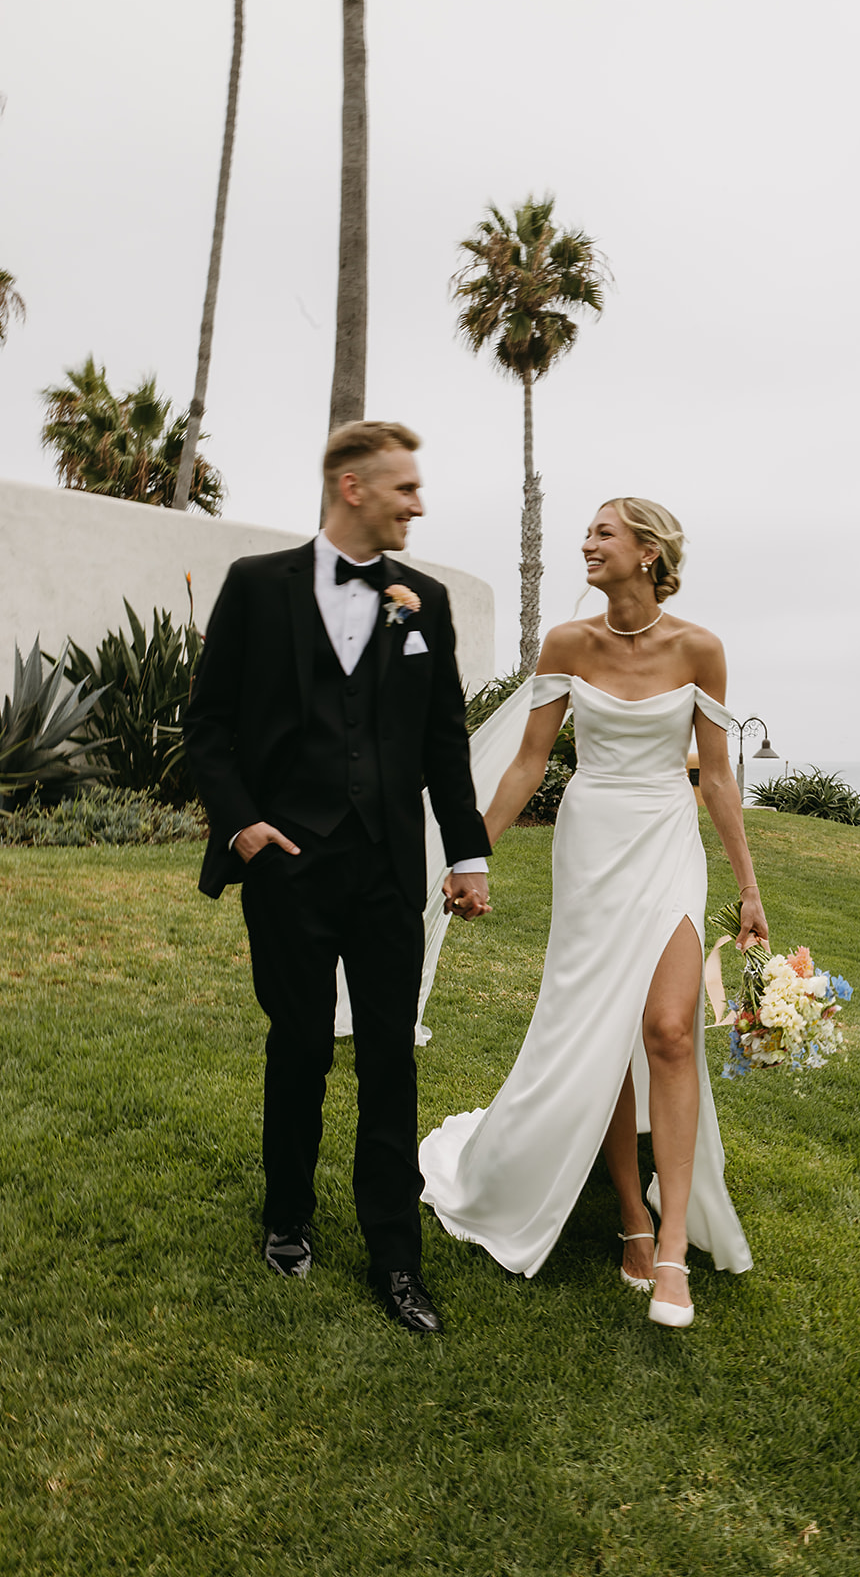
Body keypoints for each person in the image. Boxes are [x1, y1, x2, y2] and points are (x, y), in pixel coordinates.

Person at [419, 497, 768, 1329]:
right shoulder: (568, 645)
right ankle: (631, 1218)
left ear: (647, 553)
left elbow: (715, 778)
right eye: (587, 533)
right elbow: (528, 763)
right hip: (591, 845)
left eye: (601, 533)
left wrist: (749, 888)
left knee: (670, 1029)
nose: (586, 543)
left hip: (665, 842)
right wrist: (472, 853)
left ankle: (677, 1245)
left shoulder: (700, 649)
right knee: (604, 1028)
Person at [184, 421, 491, 1336]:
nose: (419, 504)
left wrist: (466, 854)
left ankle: (396, 1257)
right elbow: (208, 723)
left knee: (392, 1057)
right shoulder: (254, 586)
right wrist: (242, 826)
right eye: (404, 488)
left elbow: (443, 739)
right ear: (352, 488)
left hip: (391, 867)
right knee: (302, 1044)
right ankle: (287, 1218)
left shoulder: (422, 601)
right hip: (288, 862)